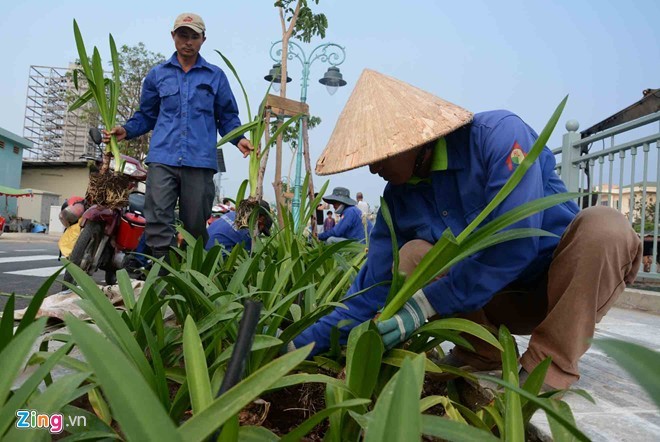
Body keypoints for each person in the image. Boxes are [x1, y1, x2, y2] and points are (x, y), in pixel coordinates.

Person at [291, 69, 642, 390]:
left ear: (411, 139)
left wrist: (426, 304)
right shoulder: (398, 201)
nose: (373, 169)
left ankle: (546, 368)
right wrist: (293, 349)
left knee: (605, 226)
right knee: (414, 255)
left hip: (561, 290)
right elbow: (371, 291)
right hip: (493, 302)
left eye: (378, 155)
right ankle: (481, 350)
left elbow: (518, 240)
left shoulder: (499, 137)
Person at [103, 13, 253, 265]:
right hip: (163, 157)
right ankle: (164, 268)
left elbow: (227, 117)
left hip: (200, 161)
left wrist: (239, 140)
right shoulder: (157, 75)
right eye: (183, 34)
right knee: (158, 216)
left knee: (195, 222)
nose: (188, 41)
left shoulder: (215, 76)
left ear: (203, 39)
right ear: (173, 36)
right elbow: (146, 115)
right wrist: (126, 130)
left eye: (194, 36)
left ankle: (191, 273)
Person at [205, 200, 272, 253]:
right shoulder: (247, 234)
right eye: (261, 229)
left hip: (201, 252)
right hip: (213, 263)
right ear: (260, 219)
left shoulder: (232, 214)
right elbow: (253, 258)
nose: (259, 233)